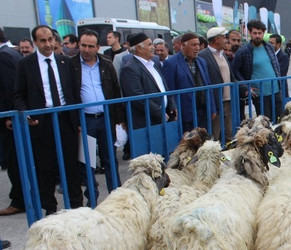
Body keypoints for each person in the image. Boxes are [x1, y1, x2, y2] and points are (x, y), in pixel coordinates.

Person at [13, 25, 83, 215]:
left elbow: (74, 93)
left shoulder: (65, 62)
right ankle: (50, 210)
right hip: (41, 124)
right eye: (42, 41)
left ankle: (76, 207)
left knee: (71, 166)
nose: (48, 44)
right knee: (45, 169)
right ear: (35, 42)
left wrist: (76, 120)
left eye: (50, 39)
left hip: (65, 121)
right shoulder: (25, 64)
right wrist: (25, 113)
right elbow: (18, 95)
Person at [71, 29, 124, 202]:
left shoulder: (106, 63)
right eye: (83, 45)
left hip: (105, 118)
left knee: (110, 158)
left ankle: (116, 196)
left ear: (98, 47)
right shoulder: (71, 65)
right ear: (79, 44)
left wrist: (119, 118)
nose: (86, 49)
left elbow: (116, 90)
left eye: (90, 46)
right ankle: (92, 198)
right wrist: (74, 121)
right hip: (85, 120)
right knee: (86, 161)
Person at [120, 32, 177, 131]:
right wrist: (159, 112)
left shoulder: (154, 63)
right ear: (139, 48)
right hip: (147, 122)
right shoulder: (130, 69)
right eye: (149, 45)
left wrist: (172, 105)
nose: (153, 48)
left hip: (165, 117)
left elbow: (164, 87)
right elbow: (138, 98)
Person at [162, 32, 215, 133]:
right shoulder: (171, 63)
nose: (197, 48)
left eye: (198, 44)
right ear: (183, 45)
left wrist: (212, 108)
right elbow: (169, 90)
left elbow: (208, 85)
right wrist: (174, 109)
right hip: (185, 114)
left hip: (203, 111)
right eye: (193, 45)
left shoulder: (201, 61)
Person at [231, 20, 282, 120]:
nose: (257, 36)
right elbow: (234, 71)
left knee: (280, 120)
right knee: (265, 122)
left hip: (276, 90)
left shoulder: (269, 47)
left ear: (263, 33)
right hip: (260, 94)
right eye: (255, 33)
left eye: (260, 33)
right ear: (250, 33)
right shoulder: (244, 51)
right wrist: (246, 87)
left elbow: (275, 66)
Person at [0, 27, 25, 216]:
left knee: (14, 159)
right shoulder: (11, 53)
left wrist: (9, 115)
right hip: (12, 117)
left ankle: (19, 200)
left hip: (10, 119)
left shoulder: (5, 56)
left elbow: (10, 88)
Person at [199, 27, 237, 142]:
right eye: (224, 37)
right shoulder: (203, 56)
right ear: (216, 39)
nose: (226, 40)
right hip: (215, 101)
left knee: (229, 131)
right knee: (215, 133)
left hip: (228, 98)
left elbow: (230, 75)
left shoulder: (222, 54)